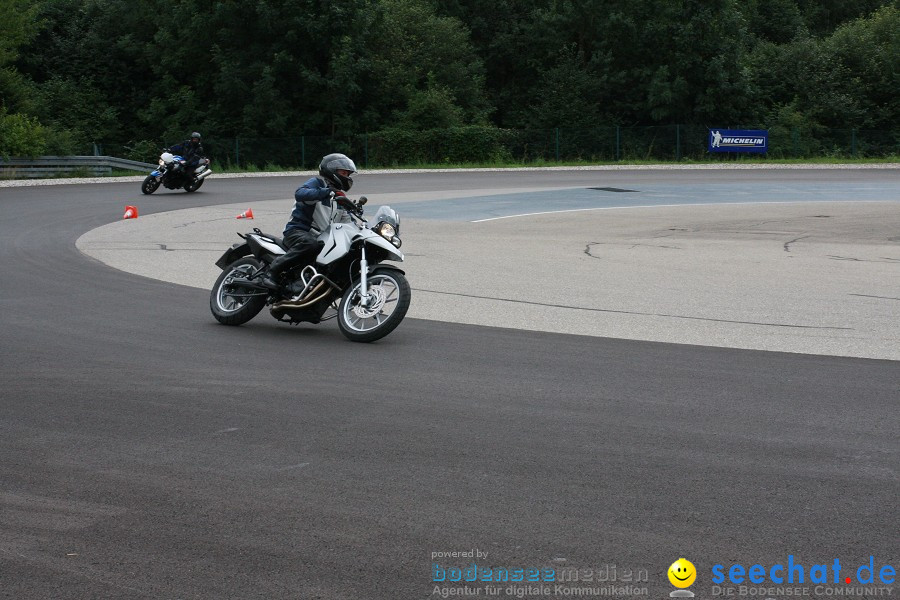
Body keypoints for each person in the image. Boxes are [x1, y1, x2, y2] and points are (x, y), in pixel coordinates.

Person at [261, 153, 359, 290]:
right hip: (298, 232)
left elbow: (349, 224)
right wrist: (327, 192)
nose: (347, 177)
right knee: (310, 243)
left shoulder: (339, 199)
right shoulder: (317, 184)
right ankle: (272, 272)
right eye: (344, 172)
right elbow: (300, 193)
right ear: (332, 171)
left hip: (321, 239)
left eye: (348, 174)